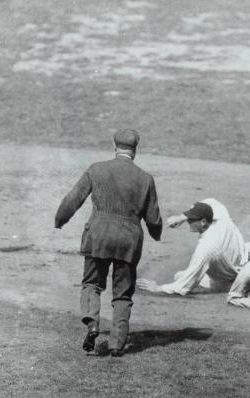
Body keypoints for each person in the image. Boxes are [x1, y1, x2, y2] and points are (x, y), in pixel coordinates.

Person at [54, 129, 162, 357]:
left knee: (92, 283)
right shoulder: (146, 178)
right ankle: (116, 344)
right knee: (123, 293)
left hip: (99, 236)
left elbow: (74, 198)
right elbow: (153, 219)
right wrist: (157, 233)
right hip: (129, 241)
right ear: (135, 149)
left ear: (114, 145)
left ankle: (92, 322)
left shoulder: (97, 169)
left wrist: (60, 220)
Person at [137, 198, 250, 295]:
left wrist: (157, 288)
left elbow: (184, 285)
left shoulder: (207, 247)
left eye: (191, 219)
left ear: (203, 222)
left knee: (181, 278)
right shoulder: (221, 217)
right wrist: (182, 217)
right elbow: (212, 202)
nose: (188, 221)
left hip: (248, 273)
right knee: (182, 275)